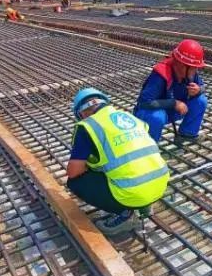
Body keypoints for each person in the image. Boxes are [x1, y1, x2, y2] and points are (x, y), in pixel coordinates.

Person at [67, 88, 169, 236]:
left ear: (81, 113)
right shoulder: (130, 117)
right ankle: (144, 206)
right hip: (160, 185)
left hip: (133, 193)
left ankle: (125, 213)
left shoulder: (88, 126)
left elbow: (73, 171)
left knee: (74, 182)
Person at [134, 39, 208, 143]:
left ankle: (187, 134)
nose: (196, 71)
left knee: (200, 101)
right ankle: (149, 146)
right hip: (150, 113)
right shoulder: (161, 74)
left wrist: (198, 90)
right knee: (157, 117)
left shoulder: (190, 73)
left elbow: (203, 87)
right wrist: (174, 103)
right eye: (194, 68)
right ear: (182, 65)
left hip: (173, 110)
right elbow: (144, 102)